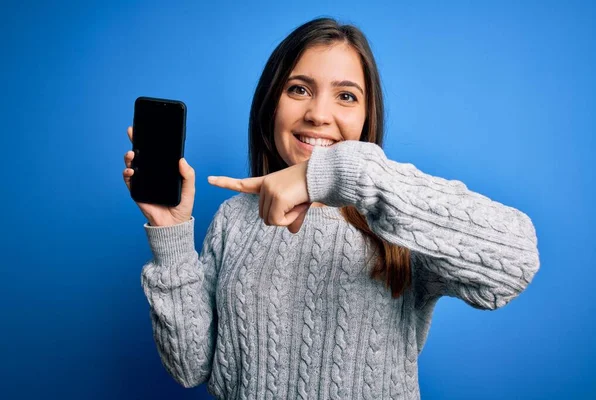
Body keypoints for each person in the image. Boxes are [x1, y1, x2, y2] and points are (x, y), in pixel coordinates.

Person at [122, 17, 540, 400]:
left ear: (366, 115)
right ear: (272, 103)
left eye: (346, 96)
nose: (318, 114)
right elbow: (190, 367)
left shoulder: (400, 215)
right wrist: (172, 236)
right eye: (299, 89)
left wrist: (341, 175)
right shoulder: (233, 218)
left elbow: (516, 260)